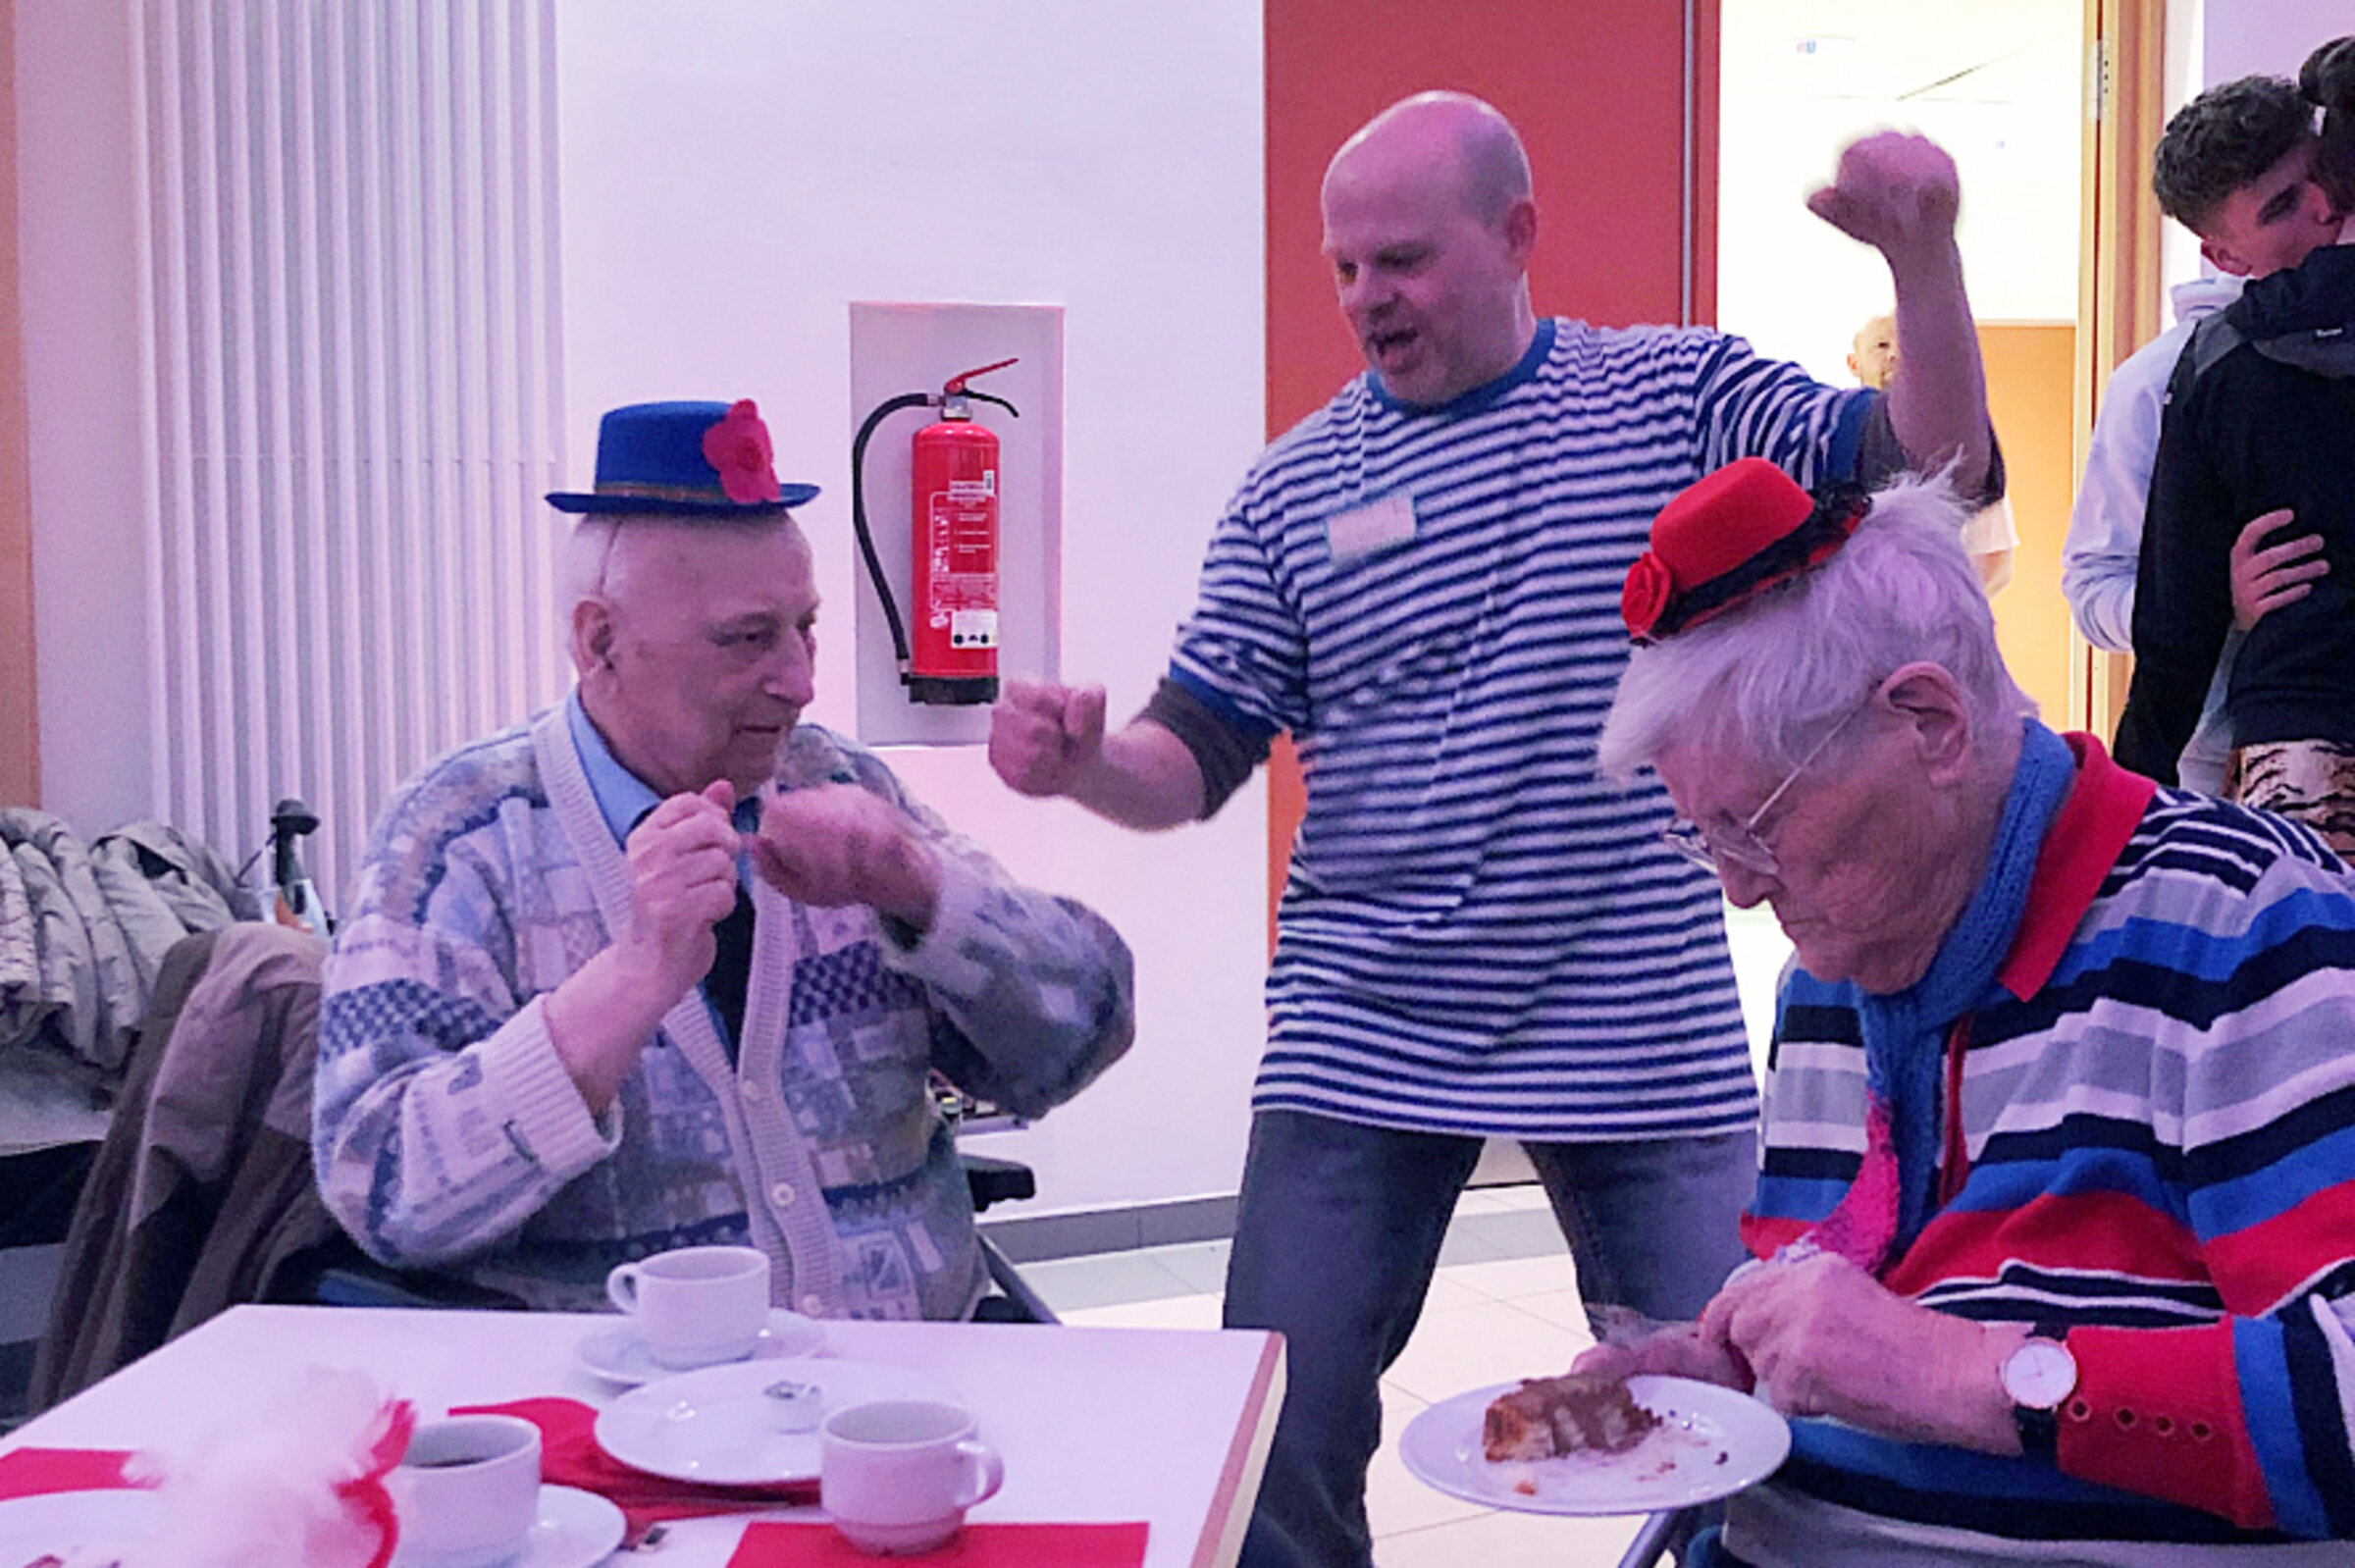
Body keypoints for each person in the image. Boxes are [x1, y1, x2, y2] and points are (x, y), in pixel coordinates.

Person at [987, 90, 2000, 1568]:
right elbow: (1189, 758)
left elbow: (1934, 467)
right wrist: (1086, 765)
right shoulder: (1293, 491)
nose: (1364, 297)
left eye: (1400, 258)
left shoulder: (1672, 399)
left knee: (1760, 1415)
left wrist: (1922, 261)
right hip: (1365, 1021)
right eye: (1344, 267)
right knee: (1273, 1434)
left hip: (1630, 1006)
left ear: (1517, 233)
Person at [1592, 456, 2355, 1567]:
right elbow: (1841, 1325)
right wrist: (1724, 1371)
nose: (1740, 888)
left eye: (1755, 825)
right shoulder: (1829, 973)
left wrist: (1962, 1373)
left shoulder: (2244, 925)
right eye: (1705, 837)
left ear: (1931, 721)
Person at [313, 398, 1135, 1318]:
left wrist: (923, 888)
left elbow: (1084, 1035)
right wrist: (628, 980)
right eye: (748, 638)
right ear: (599, 641)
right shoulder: (461, 838)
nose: (801, 681)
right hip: (620, 1395)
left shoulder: (840, 785)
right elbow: (383, 1193)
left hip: (910, 1379)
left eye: (805, 628)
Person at [2070, 69, 2343, 796]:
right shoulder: (2161, 381)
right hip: (2231, 752)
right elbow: (2092, 584)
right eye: (2282, 207)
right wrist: (2204, 597)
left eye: (2321, 179)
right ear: (2226, 256)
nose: (2323, 209)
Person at [1848, 310, 2016, 594]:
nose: (1894, 355)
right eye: (1881, 346)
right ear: (1854, 363)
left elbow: (1995, 560)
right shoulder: (1829, 435)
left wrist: (1944, 608)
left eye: (1906, 346)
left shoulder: (1959, 442)